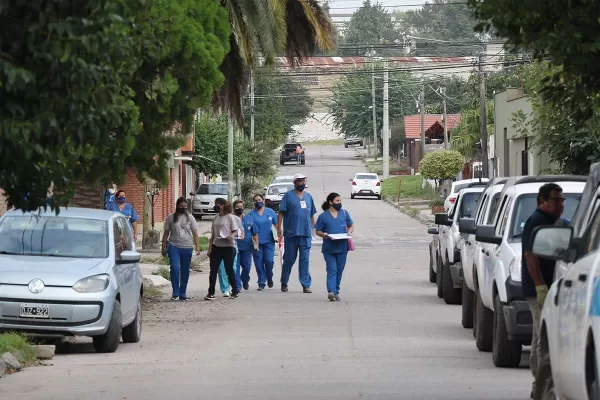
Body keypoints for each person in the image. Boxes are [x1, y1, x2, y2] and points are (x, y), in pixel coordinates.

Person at [521, 183, 565, 398]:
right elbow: (531, 256)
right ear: (542, 202)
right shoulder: (536, 221)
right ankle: (539, 381)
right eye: (556, 200)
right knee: (541, 334)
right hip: (539, 287)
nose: (560, 204)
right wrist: (540, 287)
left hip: (554, 287)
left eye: (561, 200)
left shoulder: (554, 222)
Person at [277, 173, 317, 293]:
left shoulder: (309, 197)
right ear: (294, 183)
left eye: (303, 181)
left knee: (304, 260)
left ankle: (305, 284)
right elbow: (281, 213)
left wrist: (314, 230)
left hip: (305, 233)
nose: (302, 183)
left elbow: (311, 215)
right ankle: (284, 281)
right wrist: (279, 228)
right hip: (291, 233)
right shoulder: (288, 196)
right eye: (299, 181)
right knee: (289, 259)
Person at [314, 193, 354, 302]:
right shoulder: (323, 216)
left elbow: (351, 226)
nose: (339, 203)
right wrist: (324, 235)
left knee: (339, 270)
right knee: (332, 270)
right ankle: (331, 291)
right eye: (337, 201)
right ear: (330, 202)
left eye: (340, 201)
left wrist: (349, 232)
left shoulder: (344, 213)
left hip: (342, 247)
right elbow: (318, 231)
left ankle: (336, 291)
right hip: (329, 248)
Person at [161, 197, 201, 301]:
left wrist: (197, 246)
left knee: (185, 270)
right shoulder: (170, 218)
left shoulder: (190, 218)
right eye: (181, 206)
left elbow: (195, 233)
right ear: (177, 206)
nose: (183, 208)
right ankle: (175, 292)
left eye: (185, 206)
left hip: (187, 246)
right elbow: (166, 233)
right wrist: (163, 247)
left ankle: (182, 293)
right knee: (174, 268)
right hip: (174, 246)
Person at [205, 198, 240, 300]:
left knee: (229, 269)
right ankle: (211, 292)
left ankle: (235, 290)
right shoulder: (215, 218)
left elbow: (235, 231)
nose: (217, 207)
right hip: (217, 246)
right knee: (213, 270)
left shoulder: (230, 217)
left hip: (228, 247)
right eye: (216, 204)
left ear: (223, 206)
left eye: (219, 205)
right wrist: (209, 248)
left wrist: (231, 236)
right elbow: (213, 235)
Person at [249, 194, 278, 290]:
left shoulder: (270, 212)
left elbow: (276, 224)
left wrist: (280, 233)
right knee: (258, 262)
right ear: (253, 202)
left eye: (259, 200)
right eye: (256, 200)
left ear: (263, 200)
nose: (258, 202)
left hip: (269, 241)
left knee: (269, 261)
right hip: (256, 243)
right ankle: (261, 282)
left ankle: (269, 276)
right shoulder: (251, 214)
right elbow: (248, 228)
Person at [234, 199, 258, 290]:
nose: (239, 209)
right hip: (235, 247)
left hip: (247, 247)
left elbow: (255, 233)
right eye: (237, 207)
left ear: (243, 208)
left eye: (241, 207)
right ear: (234, 208)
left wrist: (257, 245)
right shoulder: (231, 219)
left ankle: (245, 279)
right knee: (235, 267)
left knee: (247, 266)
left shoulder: (249, 218)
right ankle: (237, 286)